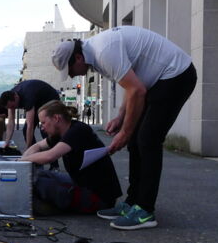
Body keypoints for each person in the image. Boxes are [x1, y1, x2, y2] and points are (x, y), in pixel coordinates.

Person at [51, 26, 197, 230]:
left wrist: (125, 133)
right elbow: (133, 86)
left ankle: (145, 210)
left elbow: (137, 90)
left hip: (176, 75)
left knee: (147, 140)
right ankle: (132, 203)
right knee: (136, 141)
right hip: (158, 81)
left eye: (71, 70)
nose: (75, 75)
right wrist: (121, 117)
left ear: (77, 57)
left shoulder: (104, 53)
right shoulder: (96, 56)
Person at [19, 100, 122, 215]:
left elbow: (50, 156)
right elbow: (37, 146)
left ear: (56, 118)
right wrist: (19, 164)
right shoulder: (60, 132)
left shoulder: (77, 130)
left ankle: (47, 207)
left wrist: (24, 160)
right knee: (38, 174)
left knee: (40, 183)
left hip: (98, 197)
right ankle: (46, 204)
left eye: (43, 122)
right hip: (81, 183)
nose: (42, 127)